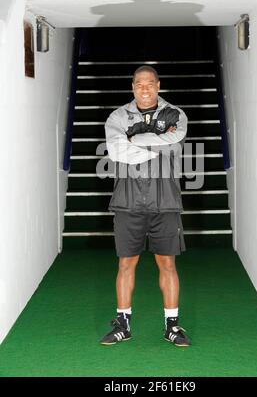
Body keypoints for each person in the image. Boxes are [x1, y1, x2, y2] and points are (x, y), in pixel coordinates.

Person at [100, 65, 190, 347]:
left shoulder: (175, 114)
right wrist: (156, 144)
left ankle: (172, 327)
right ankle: (123, 325)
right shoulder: (118, 116)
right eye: (139, 83)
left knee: (167, 263)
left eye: (149, 83)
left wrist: (135, 140)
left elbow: (174, 145)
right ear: (132, 87)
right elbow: (115, 151)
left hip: (165, 200)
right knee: (126, 263)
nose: (144, 88)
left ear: (158, 85)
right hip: (128, 201)